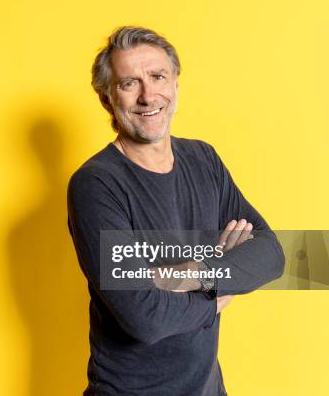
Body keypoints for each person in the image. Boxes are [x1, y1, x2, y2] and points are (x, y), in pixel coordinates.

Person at [67, 26, 285, 396]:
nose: (148, 95)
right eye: (128, 83)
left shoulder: (204, 159)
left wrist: (180, 274)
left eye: (157, 77)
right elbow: (144, 317)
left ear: (176, 86)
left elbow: (272, 256)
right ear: (107, 99)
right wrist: (217, 292)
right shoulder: (96, 185)